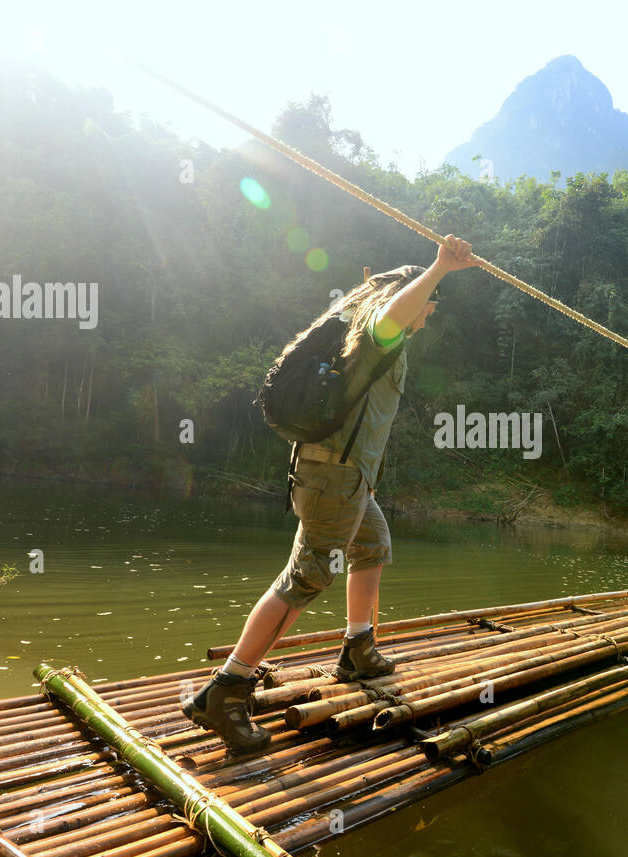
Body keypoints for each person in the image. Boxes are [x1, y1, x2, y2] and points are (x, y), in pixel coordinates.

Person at [182, 235, 479, 752]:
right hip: (334, 480)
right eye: (428, 308)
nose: (427, 318)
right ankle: (227, 691)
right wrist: (438, 270)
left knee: (373, 545)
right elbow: (395, 311)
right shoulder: (379, 333)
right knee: (307, 576)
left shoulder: (380, 340)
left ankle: (357, 646)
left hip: (349, 479)